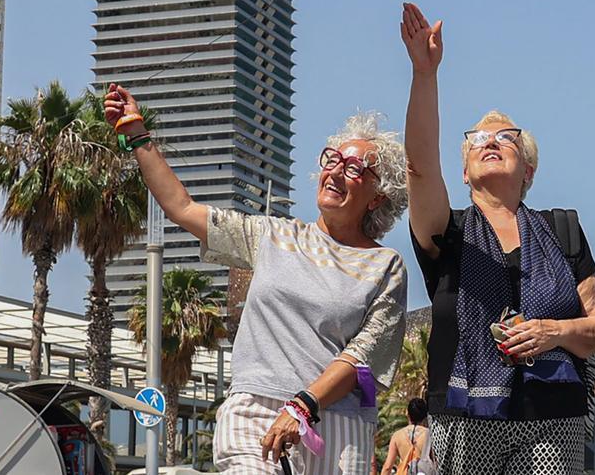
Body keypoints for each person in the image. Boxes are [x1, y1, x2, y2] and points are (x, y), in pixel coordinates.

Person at [104, 84, 409, 475]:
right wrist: (137, 135)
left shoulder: (384, 265)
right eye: (332, 160)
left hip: (336, 426)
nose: (334, 172)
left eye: (353, 168)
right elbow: (182, 207)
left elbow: (363, 357)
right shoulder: (273, 236)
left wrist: (304, 405)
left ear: (378, 196)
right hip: (254, 410)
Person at [399, 3, 595, 475]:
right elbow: (419, 165)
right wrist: (424, 73)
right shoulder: (447, 230)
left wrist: (551, 331)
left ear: (529, 168)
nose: (490, 141)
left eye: (506, 137)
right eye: (477, 139)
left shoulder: (562, 230)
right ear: (465, 170)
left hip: (555, 416)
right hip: (465, 415)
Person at [379, 398, 435, 475]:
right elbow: (436, 462)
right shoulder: (430, 435)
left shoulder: (397, 436)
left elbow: (387, 467)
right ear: (425, 416)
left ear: (408, 414)